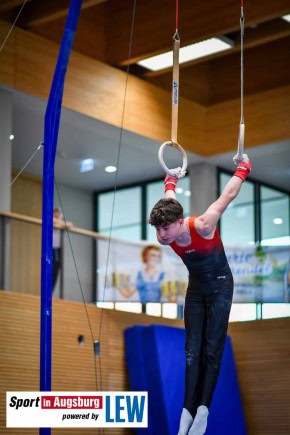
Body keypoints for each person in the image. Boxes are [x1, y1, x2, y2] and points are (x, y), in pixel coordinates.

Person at [149, 155, 252, 435]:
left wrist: (244, 167)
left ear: (180, 222)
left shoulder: (204, 225)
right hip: (196, 288)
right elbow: (168, 195)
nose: (161, 235)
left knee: (211, 348)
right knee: (191, 352)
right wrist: (171, 178)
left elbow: (228, 194)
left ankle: (203, 409)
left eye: (165, 229)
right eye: (157, 230)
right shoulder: (169, 218)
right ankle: (186, 410)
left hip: (220, 286)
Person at [52, 208, 73, 293]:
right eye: (56, 213)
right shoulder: (51, 219)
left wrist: (61, 223)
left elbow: (70, 224)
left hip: (57, 249)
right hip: (51, 247)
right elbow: (54, 222)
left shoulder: (59, 222)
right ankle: (48, 291)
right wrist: (62, 224)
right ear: (54, 213)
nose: (58, 215)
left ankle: (51, 291)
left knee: (57, 269)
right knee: (51, 269)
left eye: (59, 214)